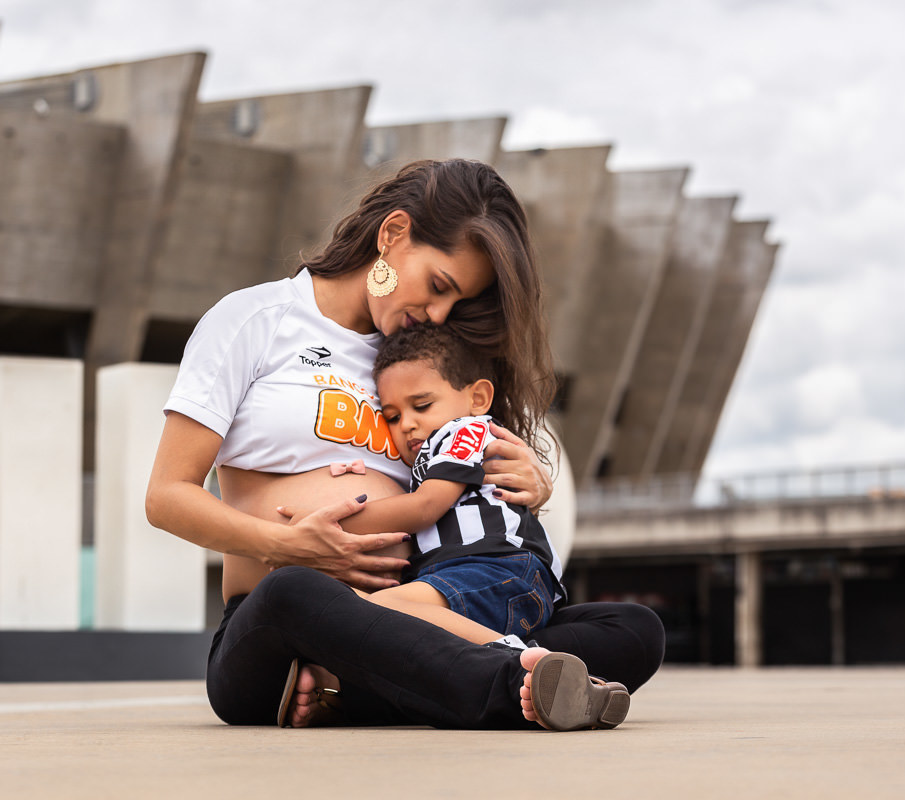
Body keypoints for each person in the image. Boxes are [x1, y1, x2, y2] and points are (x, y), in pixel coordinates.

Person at [145, 159, 664, 731]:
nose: (438, 313)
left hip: (423, 606)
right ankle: (512, 683)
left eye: (455, 301)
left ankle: (348, 691)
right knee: (295, 593)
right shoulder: (256, 321)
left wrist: (528, 484)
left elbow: (465, 491)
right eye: (438, 285)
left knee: (633, 630)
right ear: (393, 235)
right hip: (283, 623)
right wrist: (289, 545)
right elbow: (167, 496)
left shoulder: (422, 363)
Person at [305, 322, 567, 645]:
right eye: (392, 417)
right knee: (358, 610)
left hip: (501, 569)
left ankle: (516, 660)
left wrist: (329, 523)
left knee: (374, 611)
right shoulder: (426, 460)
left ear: (478, 398)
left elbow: (424, 507)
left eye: (422, 405)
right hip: (462, 577)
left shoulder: (466, 431)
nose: (408, 425)